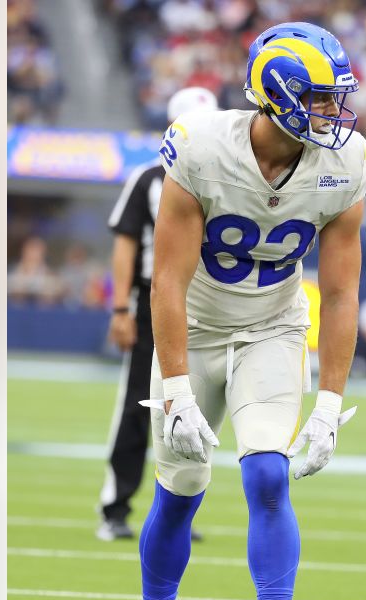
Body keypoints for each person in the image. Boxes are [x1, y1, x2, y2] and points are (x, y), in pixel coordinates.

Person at [116, 22, 366, 600]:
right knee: (181, 490)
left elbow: (342, 293)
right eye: (320, 98)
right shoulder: (202, 149)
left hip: (273, 328)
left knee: (266, 475)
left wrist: (330, 407)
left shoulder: (346, 164)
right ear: (279, 94)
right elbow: (166, 280)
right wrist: (173, 386)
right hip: (193, 329)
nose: (333, 114)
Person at [96, 86, 220, 542]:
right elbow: (126, 245)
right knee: (134, 407)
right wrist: (120, 307)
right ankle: (116, 506)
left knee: (196, 411)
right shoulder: (149, 178)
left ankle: (177, 516)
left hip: (205, 305)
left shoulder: (228, 176)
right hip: (153, 301)